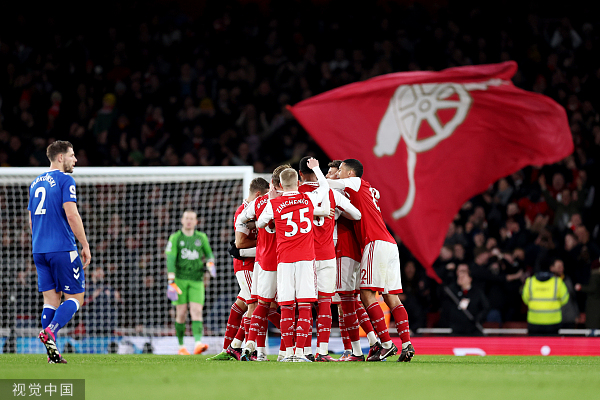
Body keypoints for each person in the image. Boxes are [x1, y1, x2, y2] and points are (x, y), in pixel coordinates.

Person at [328, 158, 415, 362]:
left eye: (340, 170)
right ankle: (407, 344)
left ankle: (385, 344)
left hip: (374, 242)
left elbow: (328, 185)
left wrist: (307, 180)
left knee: (365, 294)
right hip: (389, 243)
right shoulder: (367, 189)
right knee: (391, 297)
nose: (337, 174)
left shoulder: (354, 182)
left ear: (350, 173)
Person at [256, 158, 329, 362]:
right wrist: (316, 169)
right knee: (305, 306)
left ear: (279, 185)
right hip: (306, 260)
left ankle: (287, 353)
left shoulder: (274, 203)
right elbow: (324, 187)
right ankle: (299, 353)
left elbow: (261, 223)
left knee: (287, 307)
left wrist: (272, 199)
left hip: (285, 261)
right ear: (298, 183)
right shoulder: (308, 198)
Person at [29, 140, 91, 364]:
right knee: (76, 297)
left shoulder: (35, 183)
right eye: (72, 155)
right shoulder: (66, 180)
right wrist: (84, 244)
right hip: (62, 248)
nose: (76, 159)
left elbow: (31, 220)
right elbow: (72, 214)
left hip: (39, 249)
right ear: (60, 157)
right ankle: (51, 331)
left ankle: (51, 353)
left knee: (50, 301)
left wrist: (40, 242)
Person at [298, 156, 361, 361]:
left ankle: (303, 351)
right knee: (325, 302)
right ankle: (323, 352)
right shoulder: (331, 192)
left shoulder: (296, 194)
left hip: (304, 255)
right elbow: (357, 214)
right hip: (327, 254)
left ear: (300, 174)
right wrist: (335, 215)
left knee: (305, 304)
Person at [207, 177, 269, 361]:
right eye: (265, 195)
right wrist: (266, 242)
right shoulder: (243, 212)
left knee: (240, 306)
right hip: (246, 265)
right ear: (258, 194)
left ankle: (229, 348)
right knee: (255, 306)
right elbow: (240, 243)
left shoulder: (258, 210)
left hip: (257, 264)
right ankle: (249, 349)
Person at [165, 210, 215, 355]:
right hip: (180, 280)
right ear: (182, 220)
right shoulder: (175, 237)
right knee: (181, 313)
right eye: (186, 218)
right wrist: (171, 279)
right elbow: (171, 258)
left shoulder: (201, 237)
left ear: (196, 222)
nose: (189, 221)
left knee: (197, 311)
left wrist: (210, 264)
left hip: (197, 280)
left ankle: (198, 344)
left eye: (192, 218)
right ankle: (181, 346)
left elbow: (209, 254)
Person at [522, 257, 569, 335]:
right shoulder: (557, 282)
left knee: (535, 343)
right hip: (553, 321)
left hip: (534, 321)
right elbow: (565, 299)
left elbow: (525, 299)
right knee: (552, 343)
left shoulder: (530, 282)